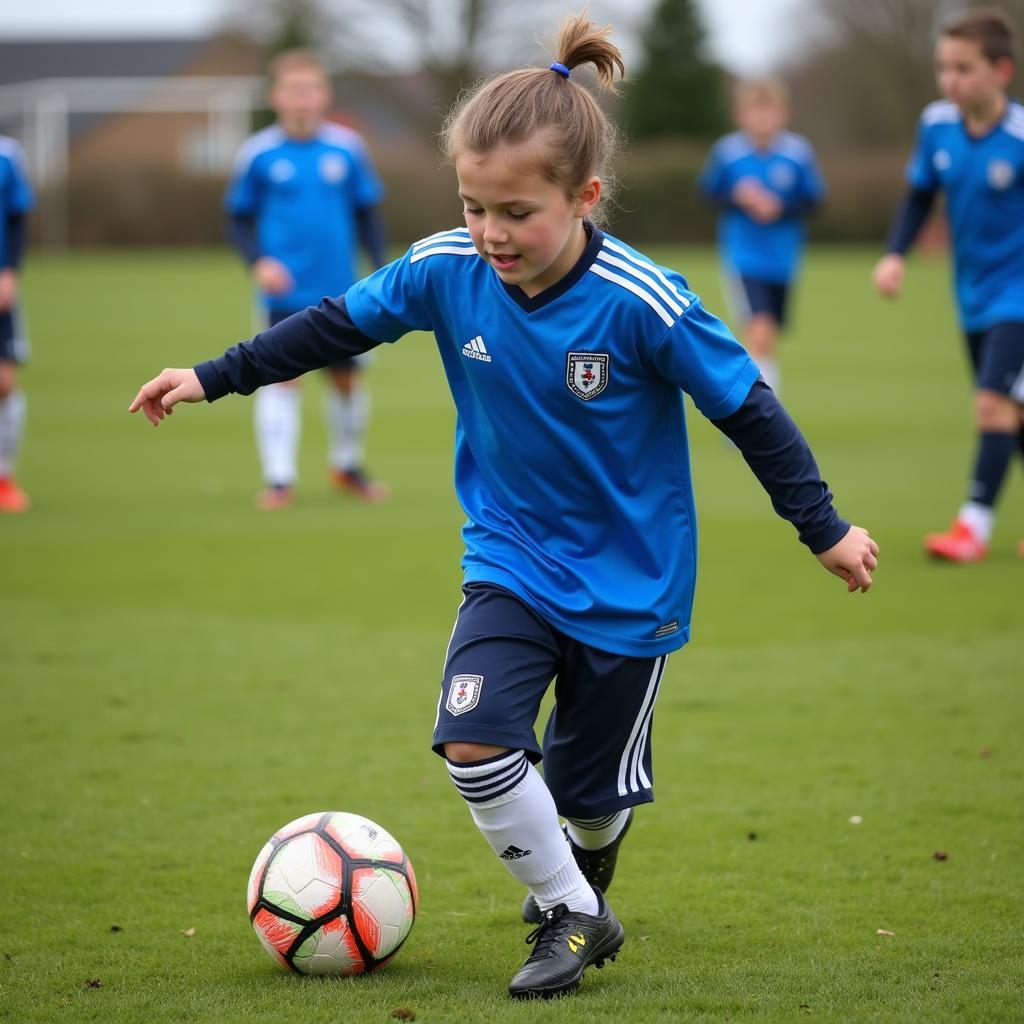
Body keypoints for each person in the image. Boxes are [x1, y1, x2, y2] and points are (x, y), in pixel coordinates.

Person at [131, 14, 878, 1000]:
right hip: (511, 558)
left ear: (585, 197)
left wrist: (822, 527)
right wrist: (212, 375)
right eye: (474, 206)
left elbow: (748, 407)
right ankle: (574, 913)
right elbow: (330, 323)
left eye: (517, 212)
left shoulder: (641, 300)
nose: (491, 233)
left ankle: (582, 865)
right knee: (474, 739)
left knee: (590, 798)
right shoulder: (447, 268)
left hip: (631, 582)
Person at [873, 8, 1024, 562]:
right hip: (973, 296)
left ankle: (972, 529)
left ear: (1000, 70)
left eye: (964, 68)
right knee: (1010, 409)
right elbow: (918, 195)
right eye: (944, 67)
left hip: (1019, 298)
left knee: (992, 405)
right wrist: (895, 255)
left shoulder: (1020, 135)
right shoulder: (936, 123)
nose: (950, 80)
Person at [226, 48, 389, 509]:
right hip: (284, 289)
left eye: (311, 89)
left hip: (342, 288)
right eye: (294, 90)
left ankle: (347, 465)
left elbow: (368, 213)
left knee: (346, 380)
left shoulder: (348, 147)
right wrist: (258, 261)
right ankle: (279, 478)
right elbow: (237, 219)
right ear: (276, 96)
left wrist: (379, 264)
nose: (303, 99)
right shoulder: (258, 153)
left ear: (325, 95)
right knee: (283, 378)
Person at [698, 78, 825, 395]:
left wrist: (779, 207)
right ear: (741, 115)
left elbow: (814, 202)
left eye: (768, 111)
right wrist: (738, 198)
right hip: (743, 257)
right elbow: (708, 194)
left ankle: (753, 404)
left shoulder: (797, 154)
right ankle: (758, 415)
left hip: (783, 260)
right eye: (755, 111)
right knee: (761, 330)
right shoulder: (728, 153)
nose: (762, 119)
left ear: (783, 113)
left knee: (765, 337)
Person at [0, 135, 34, 513]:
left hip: (0, 289)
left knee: (4, 382)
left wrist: (9, 271)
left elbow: (16, 217)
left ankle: (3, 477)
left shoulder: (7, 154)